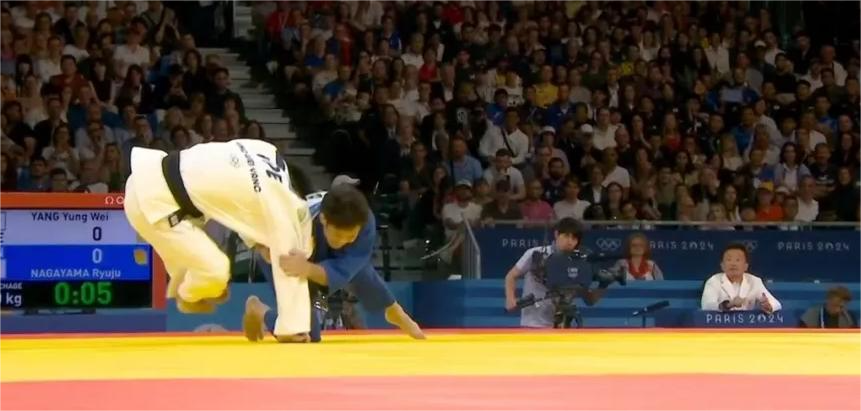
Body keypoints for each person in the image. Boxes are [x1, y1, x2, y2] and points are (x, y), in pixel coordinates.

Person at [123, 139, 314, 342]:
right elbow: (289, 256)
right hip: (154, 206)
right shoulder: (282, 202)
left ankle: (195, 287)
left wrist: (260, 242)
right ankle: (187, 296)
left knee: (210, 279)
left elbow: (236, 197)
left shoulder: (264, 151)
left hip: (148, 177)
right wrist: (292, 327)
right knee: (217, 271)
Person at [243, 184, 426, 342]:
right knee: (303, 335)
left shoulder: (364, 221)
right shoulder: (298, 220)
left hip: (310, 262)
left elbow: (348, 268)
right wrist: (262, 247)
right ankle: (259, 309)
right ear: (324, 220)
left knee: (356, 264)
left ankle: (393, 309)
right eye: (338, 235)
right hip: (288, 259)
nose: (343, 241)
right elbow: (253, 222)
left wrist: (307, 268)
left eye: (350, 236)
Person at [503, 218, 608, 328]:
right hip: (533, 324)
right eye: (566, 236)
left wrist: (604, 284)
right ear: (556, 234)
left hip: (563, 326)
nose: (570, 242)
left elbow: (590, 300)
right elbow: (511, 276)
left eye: (574, 238)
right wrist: (510, 299)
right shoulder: (535, 254)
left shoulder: (579, 262)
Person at [700, 243, 782, 313]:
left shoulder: (754, 281)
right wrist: (728, 305)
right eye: (729, 259)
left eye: (738, 260)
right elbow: (707, 306)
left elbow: (776, 304)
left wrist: (768, 306)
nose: (733, 264)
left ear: (746, 266)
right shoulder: (713, 281)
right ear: (722, 266)